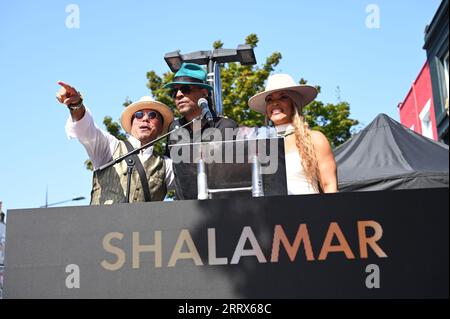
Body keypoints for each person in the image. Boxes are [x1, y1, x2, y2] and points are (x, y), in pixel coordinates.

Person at [56, 81, 175, 204]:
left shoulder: (167, 166)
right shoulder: (110, 146)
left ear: (161, 127)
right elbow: (86, 129)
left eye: (152, 115)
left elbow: (192, 180)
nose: (145, 119)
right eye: (139, 115)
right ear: (132, 123)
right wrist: (76, 104)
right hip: (101, 223)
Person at [248, 74, 338, 194]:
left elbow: (329, 186)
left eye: (283, 97)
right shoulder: (259, 145)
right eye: (270, 99)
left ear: (294, 103)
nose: (275, 103)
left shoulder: (315, 138)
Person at [163, 63, 238, 199]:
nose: (179, 95)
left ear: (204, 93)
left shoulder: (226, 126)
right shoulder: (173, 130)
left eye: (185, 89)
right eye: (174, 92)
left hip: (220, 209)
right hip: (182, 213)